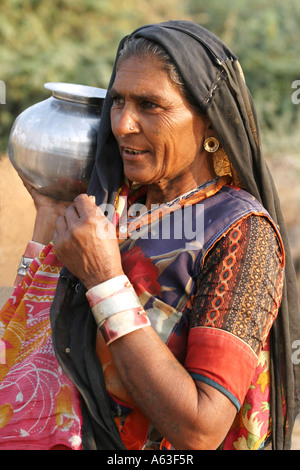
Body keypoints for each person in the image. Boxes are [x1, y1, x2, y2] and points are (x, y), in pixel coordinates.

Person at [0, 20, 299, 450]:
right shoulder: (113, 201)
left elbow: (201, 427)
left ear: (210, 125)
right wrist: (51, 214)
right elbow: (32, 344)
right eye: (118, 101)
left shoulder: (240, 235)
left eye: (150, 105)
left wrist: (104, 280)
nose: (122, 124)